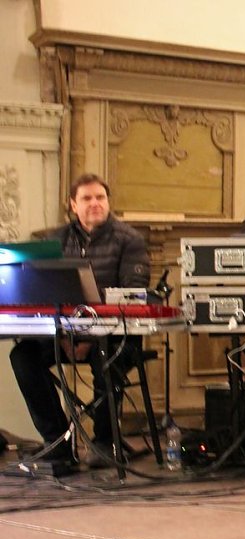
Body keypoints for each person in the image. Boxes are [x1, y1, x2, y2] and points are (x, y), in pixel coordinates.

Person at [9, 173, 150, 467]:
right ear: (73, 205)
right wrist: (63, 338)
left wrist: (89, 338)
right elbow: (43, 294)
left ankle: (105, 442)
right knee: (22, 356)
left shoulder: (130, 240)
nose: (95, 203)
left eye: (100, 197)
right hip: (62, 335)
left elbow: (131, 296)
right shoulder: (53, 241)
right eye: (87, 198)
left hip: (113, 337)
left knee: (105, 358)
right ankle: (58, 441)